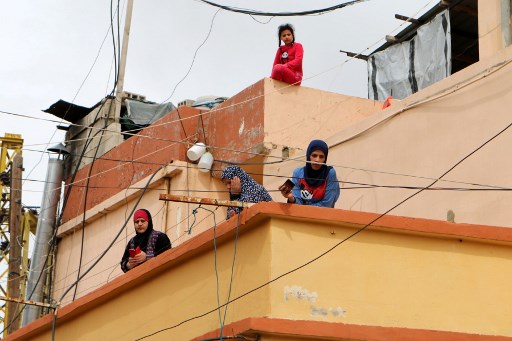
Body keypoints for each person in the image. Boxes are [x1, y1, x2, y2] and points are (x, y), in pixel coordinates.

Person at [279, 140, 340, 207]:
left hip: (323, 216)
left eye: (321, 157)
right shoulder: (298, 173)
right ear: (308, 155)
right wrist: (291, 198)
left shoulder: (330, 173)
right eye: (314, 155)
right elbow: (297, 203)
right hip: (301, 216)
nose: (317, 160)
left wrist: (304, 207)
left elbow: (327, 204)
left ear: (325, 159)